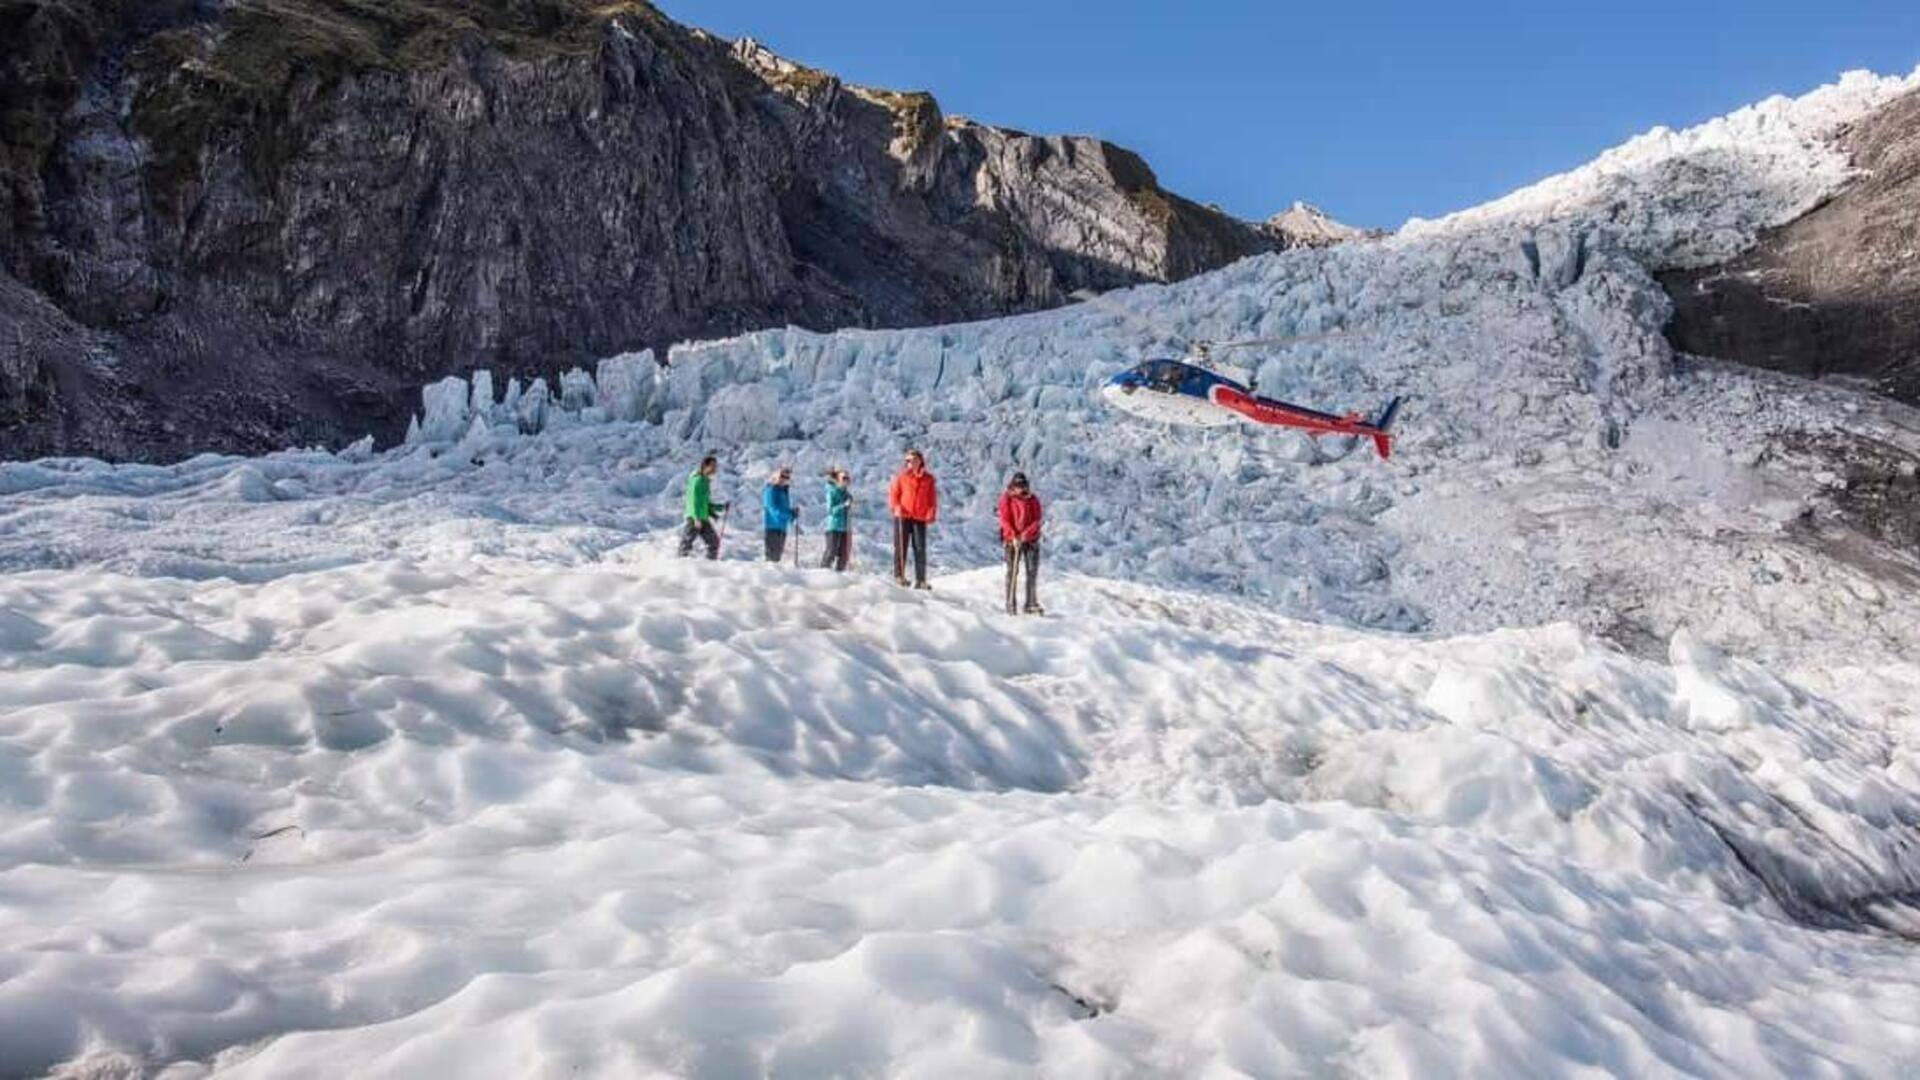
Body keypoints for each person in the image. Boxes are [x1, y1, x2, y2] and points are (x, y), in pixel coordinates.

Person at [888, 449, 937, 588]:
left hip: (919, 517)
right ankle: (899, 576)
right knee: (900, 546)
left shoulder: (928, 479)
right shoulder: (901, 477)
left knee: (920, 548)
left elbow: (932, 498)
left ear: (920, 461)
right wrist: (896, 506)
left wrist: (931, 512)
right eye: (907, 461)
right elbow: (894, 494)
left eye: (913, 460)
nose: (910, 463)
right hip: (902, 516)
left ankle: (921, 580)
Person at [997, 471, 1044, 614]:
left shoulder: (1033, 500)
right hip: (1011, 540)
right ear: (1013, 485)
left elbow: (1037, 520)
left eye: (1023, 486)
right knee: (1012, 571)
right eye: (1018, 486)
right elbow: (1004, 519)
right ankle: (1010, 603)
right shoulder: (1007, 499)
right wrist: (1013, 536)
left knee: (1031, 571)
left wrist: (1025, 535)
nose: (1020, 489)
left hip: (1030, 540)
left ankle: (1030, 603)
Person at [678, 456, 727, 559]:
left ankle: (709, 567)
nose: (715, 468)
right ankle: (679, 566)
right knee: (686, 544)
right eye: (713, 466)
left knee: (714, 543)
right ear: (705, 466)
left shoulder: (705, 481)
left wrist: (720, 508)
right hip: (695, 519)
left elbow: (705, 503)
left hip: (703, 518)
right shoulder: (698, 480)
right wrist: (696, 518)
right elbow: (693, 500)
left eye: (716, 466)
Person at [761, 465, 798, 563]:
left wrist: (793, 514)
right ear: (775, 476)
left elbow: (783, 510)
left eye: (787, 477)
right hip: (772, 528)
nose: (784, 479)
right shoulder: (771, 490)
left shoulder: (784, 492)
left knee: (776, 559)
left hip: (782, 529)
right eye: (782, 476)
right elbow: (774, 510)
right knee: (771, 559)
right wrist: (790, 515)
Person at [821, 468, 852, 571]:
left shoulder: (846, 493)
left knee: (844, 554)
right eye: (844, 478)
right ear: (838, 479)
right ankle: (823, 573)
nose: (846, 480)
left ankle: (839, 575)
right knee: (831, 552)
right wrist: (843, 505)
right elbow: (830, 510)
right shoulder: (832, 492)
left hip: (844, 527)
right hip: (833, 526)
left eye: (848, 478)